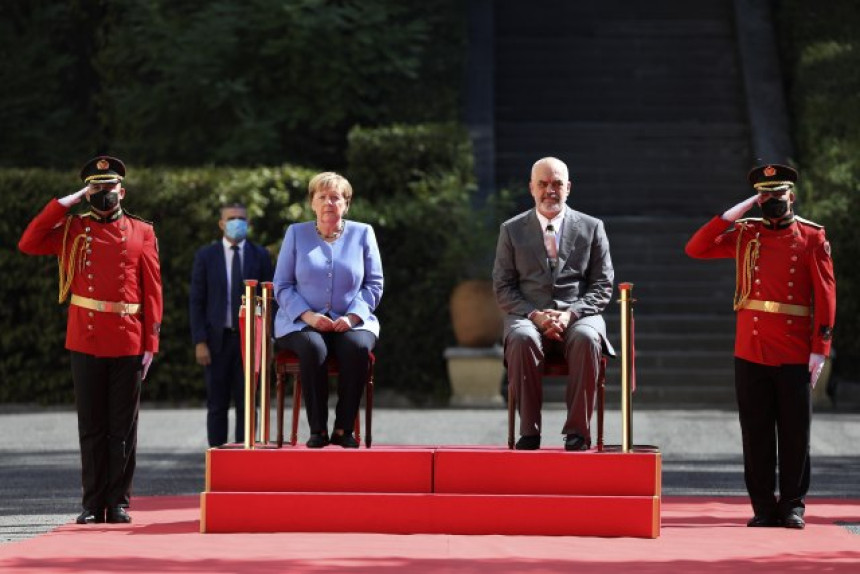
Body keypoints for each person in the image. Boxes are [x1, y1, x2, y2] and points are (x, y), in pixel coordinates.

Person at [685, 163, 836, 530]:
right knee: (755, 432)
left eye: (778, 195)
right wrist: (733, 214)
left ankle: (793, 505)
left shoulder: (812, 237)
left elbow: (826, 293)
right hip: (751, 348)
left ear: (791, 196)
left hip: (794, 348)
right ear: (758, 198)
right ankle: (763, 507)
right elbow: (696, 248)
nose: (772, 201)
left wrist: (821, 346)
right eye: (765, 195)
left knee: (795, 431)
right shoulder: (745, 234)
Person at [18, 155, 163, 525]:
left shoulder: (141, 231)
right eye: (95, 189)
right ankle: (91, 501)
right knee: (92, 427)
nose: (103, 194)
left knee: (123, 427)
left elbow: (152, 291)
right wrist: (66, 202)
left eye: (108, 188)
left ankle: (118, 501)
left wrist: (151, 342)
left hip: (128, 338)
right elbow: (29, 241)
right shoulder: (72, 229)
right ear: (87, 193)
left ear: (122, 191)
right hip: (86, 337)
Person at [493, 157, 615, 451]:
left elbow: (603, 284)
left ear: (568, 187)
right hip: (528, 315)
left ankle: (578, 433)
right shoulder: (511, 229)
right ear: (531, 188)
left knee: (587, 337)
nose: (551, 190)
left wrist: (570, 315)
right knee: (521, 338)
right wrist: (535, 315)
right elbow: (503, 286)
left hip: (579, 313)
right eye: (543, 184)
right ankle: (529, 432)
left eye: (557, 183)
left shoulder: (591, 227)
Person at [272, 172, 383, 448]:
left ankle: (344, 429)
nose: (328, 203)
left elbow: (374, 284)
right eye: (322, 196)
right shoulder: (296, 233)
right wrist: (307, 316)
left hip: (353, 320)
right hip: (300, 321)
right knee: (314, 348)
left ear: (346, 204)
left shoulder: (363, 233)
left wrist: (352, 316)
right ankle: (318, 430)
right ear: (312, 202)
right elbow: (282, 285)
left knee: (357, 348)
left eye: (336, 197)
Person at [189, 203, 274, 447]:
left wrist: (268, 341)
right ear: (221, 224)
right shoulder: (206, 256)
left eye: (241, 218)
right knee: (217, 404)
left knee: (248, 403)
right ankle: (216, 456)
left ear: (248, 223)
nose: (237, 222)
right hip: (217, 340)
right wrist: (200, 341)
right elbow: (197, 300)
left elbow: (270, 301)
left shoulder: (260, 255)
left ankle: (244, 456)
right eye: (231, 218)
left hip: (251, 341)